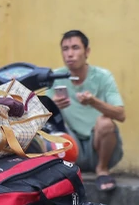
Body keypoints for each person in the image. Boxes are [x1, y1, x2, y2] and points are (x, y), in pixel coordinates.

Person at [51, 30, 126, 192]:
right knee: (46, 133)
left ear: (87, 52)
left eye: (75, 48)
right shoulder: (55, 77)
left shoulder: (103, 77)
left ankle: (102, 170)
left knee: (105, 123)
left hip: (99, 147)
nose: (70, 54)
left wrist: (94, 102)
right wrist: (53, 106)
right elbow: (41, 117)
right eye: (65, 49)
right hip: (72, 146)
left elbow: (121, 115)